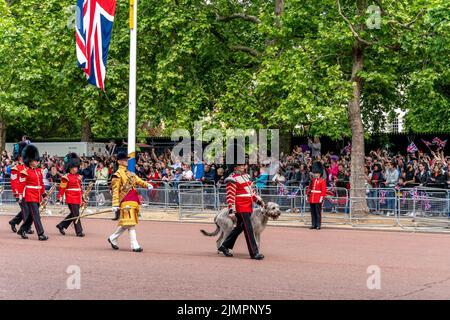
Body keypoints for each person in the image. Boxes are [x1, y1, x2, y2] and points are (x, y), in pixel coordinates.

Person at [107, 152, 153, 252]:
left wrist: (147, 184)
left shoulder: (130, 173)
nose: (126, 161)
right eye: (124, 160)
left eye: (126, 160)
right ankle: (134, 245)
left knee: (127, 223)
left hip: (134, 200)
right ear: (119, 162)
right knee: (131, 224)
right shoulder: (117, 175)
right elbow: (115, 191)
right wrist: (115, 204)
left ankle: (113, 238)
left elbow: (139, 181)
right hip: (125, 201)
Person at [218, 162, 265, 260]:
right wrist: (231, 210)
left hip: (248, 206)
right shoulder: (232, 179)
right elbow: (230, 196)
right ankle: (254, 253)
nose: (244, 167)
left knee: (239, 228)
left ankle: (224, 246)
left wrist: (259, 201)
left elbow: (251, 192)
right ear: (235, 168)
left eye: (244, 165)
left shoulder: (246, 177)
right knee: (249, 229)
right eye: (241, 165)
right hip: (240, 206)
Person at [17, 144, 49, 240]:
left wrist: (44, 194)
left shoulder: (39, 171)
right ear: (30, 161)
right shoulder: (25, 172)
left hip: (38, 195)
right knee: (36, 215)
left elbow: (41, 184)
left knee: (31, 216)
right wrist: (20, 195)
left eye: (37, 160)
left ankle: (22, 230)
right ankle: (41, 234)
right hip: (30, 195)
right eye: (35, 160)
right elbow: (21, 185)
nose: (37, 162)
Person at [56, 153, 85, 237]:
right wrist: (59, 199)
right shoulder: (66, 177)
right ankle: (79, 231)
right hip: (71, 198)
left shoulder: (78, 177)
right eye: (74, 167)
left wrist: (83, 197)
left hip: (78, 197)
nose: (76, 169)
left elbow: (80, 188)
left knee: (73, 214)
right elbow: (62, 189)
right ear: (70, 168)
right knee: (76, 215)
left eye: (76, 167)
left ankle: (61, 225)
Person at [8, 141, 34, 234]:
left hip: (28, 192)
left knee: (28, 209)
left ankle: (13, 222)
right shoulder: (16, 168)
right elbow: (14, 182)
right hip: (20, 193)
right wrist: (17, 194)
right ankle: (27, 227)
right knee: (26, 210)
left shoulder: (28, 168)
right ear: (19, 157)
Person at [306, 162, 327, 230]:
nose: (316, 174)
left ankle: (318, 225)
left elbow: (323, 190)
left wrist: (321, 198)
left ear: (320, 173)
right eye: (315, 173)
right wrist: (307, 196)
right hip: (312, 198)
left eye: (317, 173)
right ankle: (313, 224)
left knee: (318, 212)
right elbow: (309, 189)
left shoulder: (322, 181)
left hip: (318, 198)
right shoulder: (312, 180)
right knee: (313, 212)